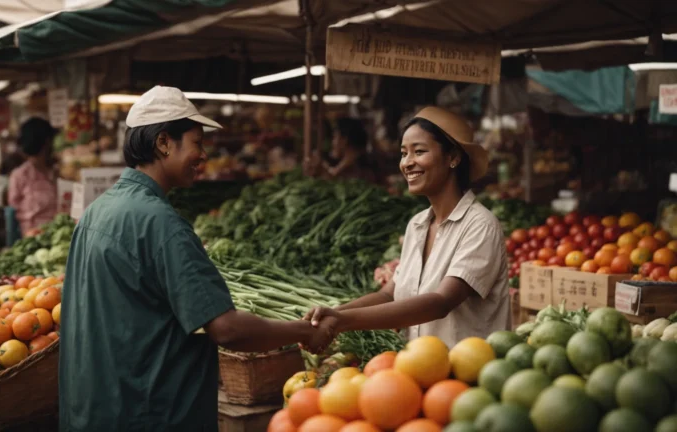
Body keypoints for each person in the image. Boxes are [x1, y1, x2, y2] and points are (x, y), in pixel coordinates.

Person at [59, 86, 331, 432]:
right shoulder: (160, 223)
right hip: (148, 414)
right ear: (163, 143)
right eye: (197, 143)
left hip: (94, 410)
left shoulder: (97, 212)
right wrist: (302, 332)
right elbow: (227, 329)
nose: (203, 155)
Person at [304, 107, 509, 348]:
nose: (407, 163)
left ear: (453, 157)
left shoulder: (480, 225)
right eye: (403, 153)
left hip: (470, 374)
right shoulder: (418, 225)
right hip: (420, 369)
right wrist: (331, 314)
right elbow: (388, 294)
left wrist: (343, 321)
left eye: (419, 152)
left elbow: (440, 302)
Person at [8, 117, 58, 233]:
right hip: (33, 238)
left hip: (59, 234)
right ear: (47, 142)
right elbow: (13, 212)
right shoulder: (20, 175)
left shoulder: (56, 172)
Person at [305, 117, 376, 182]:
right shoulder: (352, 162)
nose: (333, 143)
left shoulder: (359, 167)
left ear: (344, 140)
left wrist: (323, 172)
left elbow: (340, 184)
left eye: (335, 137)